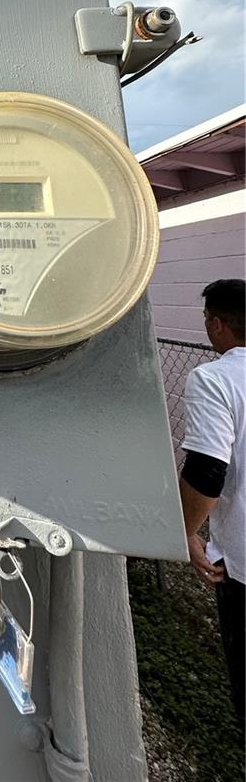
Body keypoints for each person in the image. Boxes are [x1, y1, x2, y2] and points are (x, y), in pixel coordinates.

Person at [178, 277, 245, 724]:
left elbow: (207, 472)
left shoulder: (214, 379)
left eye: (206, 319)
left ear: (218, 326)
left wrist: (185, 534)